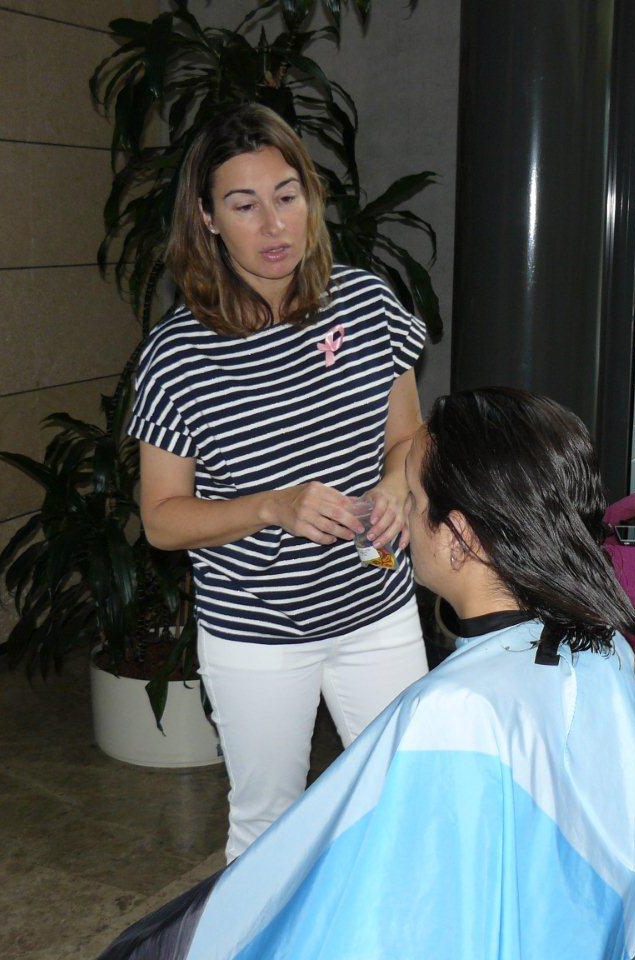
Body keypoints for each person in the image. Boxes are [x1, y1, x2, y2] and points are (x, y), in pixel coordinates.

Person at [100, 388, 635, 960]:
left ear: (458, 536)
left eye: (413, 499)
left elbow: (388, 923)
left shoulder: (456, 711)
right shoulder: (610, 647)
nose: (398, 519)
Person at [131, 104, 428, 862]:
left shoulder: (366, 303)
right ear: (207, 219)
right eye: (244, 204)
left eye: (287, 196)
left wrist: (397, 487)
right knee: (268, 829)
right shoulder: (177, 354)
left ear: (311, 200)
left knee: (404, 807)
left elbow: (410, 437)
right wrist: (272, 505)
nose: (273, 225)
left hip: (377, 612)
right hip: (256, 634)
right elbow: (161, 519)